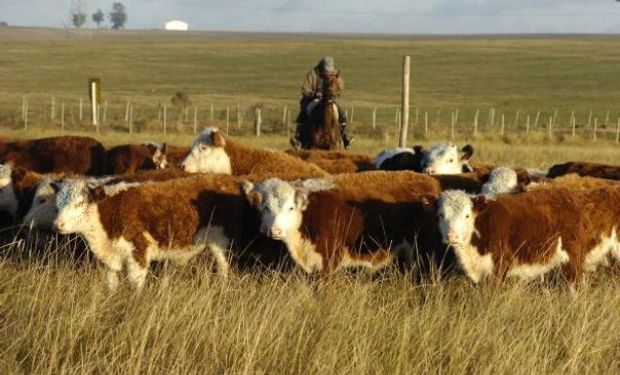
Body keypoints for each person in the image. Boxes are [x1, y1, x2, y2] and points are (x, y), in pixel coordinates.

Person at [291, 56, 353, 149]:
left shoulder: (335, 75)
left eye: (329, 73)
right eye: (326, 73)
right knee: (306, 110)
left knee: (341, 113)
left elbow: (340, 88)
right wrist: (314, 94)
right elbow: (305, 89)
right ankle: (298, 137)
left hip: (330, 101)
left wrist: (334, 94)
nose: (327, 75)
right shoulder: (313, 74)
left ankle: (345, 137)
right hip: (315, 100)